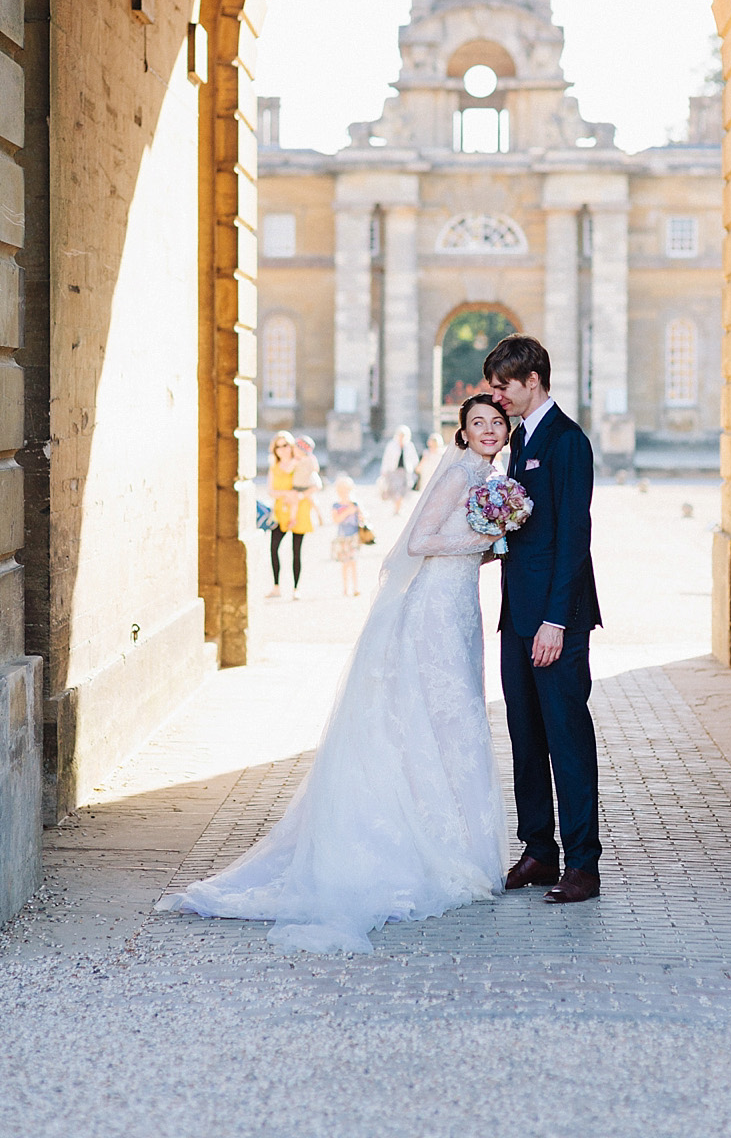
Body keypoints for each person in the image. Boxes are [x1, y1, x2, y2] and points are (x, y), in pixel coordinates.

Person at [158, 393, 512, 953]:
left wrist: (488, 548)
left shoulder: (491, 475)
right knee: (438, 713)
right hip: (433, 612)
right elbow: (419, 541)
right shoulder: (462, 471)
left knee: (455, 718)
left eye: (497, 422)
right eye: (477, 424)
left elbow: (454, 545)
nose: (489, 430)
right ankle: (433, 846)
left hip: (459, 606)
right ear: (461, 432)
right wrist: (484, 539)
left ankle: (458, 841)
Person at [483, 333, 603, 905]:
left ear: (533, 380)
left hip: (558, 620)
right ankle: (538, 850)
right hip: (517, 617)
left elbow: (574, 538)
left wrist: (556, 620)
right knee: (525, 737)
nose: (498, 398)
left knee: (567, 739)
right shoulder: (519, 440)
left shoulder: (568, 441)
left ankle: (582, 864)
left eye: (504, 387)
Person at [266, 431, 317, 600]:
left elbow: (316, 484)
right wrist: (286, 494)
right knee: (274, 548)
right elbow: (270, 491)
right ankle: (276, 586)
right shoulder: (274, 467)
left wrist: (300, 496)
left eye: (285, 445)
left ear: (291, 446)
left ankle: (296, 588)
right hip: (281, 512)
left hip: (299, 510)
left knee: (296, 551)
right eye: (278, 446)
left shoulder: (301, 463)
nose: (282, 449)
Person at [331, 474, 363, 598]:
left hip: (354, 536)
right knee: (345, 563)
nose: (344, 493)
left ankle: (355, 587)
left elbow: (362, 518)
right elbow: (335, 519)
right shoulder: (336, 505)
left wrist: (359, 514)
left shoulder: (355, 504)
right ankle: (345, 588)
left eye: (346, 490)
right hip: (343, 537)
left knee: (354, 562)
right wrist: (347, 512)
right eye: (341, 490)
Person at [379, 424, 418, 515]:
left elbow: (414, 459)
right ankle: (396, 508)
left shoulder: (409, 446)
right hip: (393, 471)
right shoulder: (391, 445)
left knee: (402, 491)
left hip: (405, 472)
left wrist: (413, 468)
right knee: (395, 490)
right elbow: (386, 458)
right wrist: (384, 470)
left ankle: (398, 508)